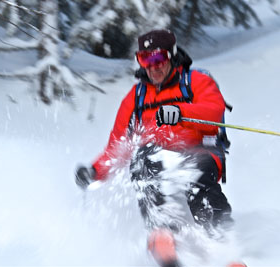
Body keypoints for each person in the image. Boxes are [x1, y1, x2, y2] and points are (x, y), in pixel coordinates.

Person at [75, 29, 232, 267]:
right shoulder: (136, 97)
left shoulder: (196, 81)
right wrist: (96, 171)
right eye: (145, 59)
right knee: (142, 159)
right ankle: (164, 236)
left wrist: (181, 113)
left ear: (171, 56)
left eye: (158, 59)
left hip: (199, 149)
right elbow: (120, 145)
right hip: (158, 158)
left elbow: (214, 112)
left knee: (198, 179)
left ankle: (222, 247)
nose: (153, 66)